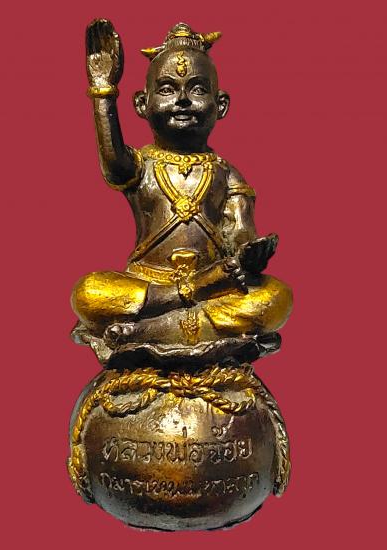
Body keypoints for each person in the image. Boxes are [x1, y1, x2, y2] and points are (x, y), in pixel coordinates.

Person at [71, 20, 292, 363]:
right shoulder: (142, 165)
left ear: (221, 104)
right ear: (142, 104)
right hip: (152, 283)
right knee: (89, 292)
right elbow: (113, 164)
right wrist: (103, 91)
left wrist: (249, 256)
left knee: (277, 297)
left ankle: (144, 331)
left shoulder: (226, 174)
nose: (183, 100)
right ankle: (185, 313)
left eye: (198, 89)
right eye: (167, 89)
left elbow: (239, 234)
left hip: (213, 283)